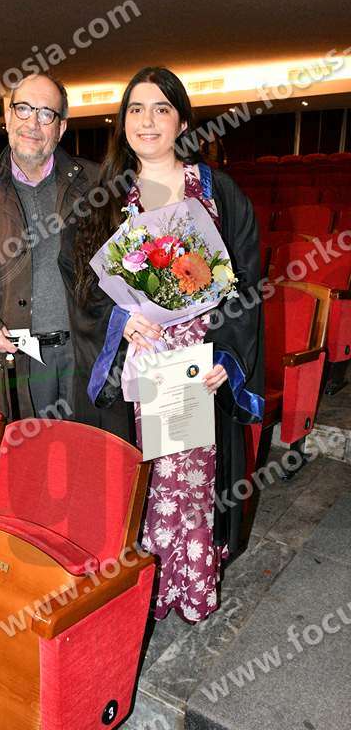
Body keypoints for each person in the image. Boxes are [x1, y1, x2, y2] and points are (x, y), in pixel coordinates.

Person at [59, 67, 264, 623]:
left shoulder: (218, 193)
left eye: (161, 108)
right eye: (135, 109)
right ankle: (146, 595)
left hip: (198, 366)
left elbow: (246, 279)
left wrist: (228, 356)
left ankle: (191, 585)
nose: (146, 121)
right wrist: (119, 323)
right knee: (143, 480)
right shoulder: (102, 200)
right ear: (122, 121)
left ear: (183, 121)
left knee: (193, 482)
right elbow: (78, 279)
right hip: (137, 362)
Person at [0, 73, 98, 418]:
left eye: (46, 113)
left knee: (86, 449)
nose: (33, 123)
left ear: (60, 127)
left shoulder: (95, 183)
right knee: (24, 450)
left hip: (81, 356)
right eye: (24, 109)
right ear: (8, 115)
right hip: (13, 358)